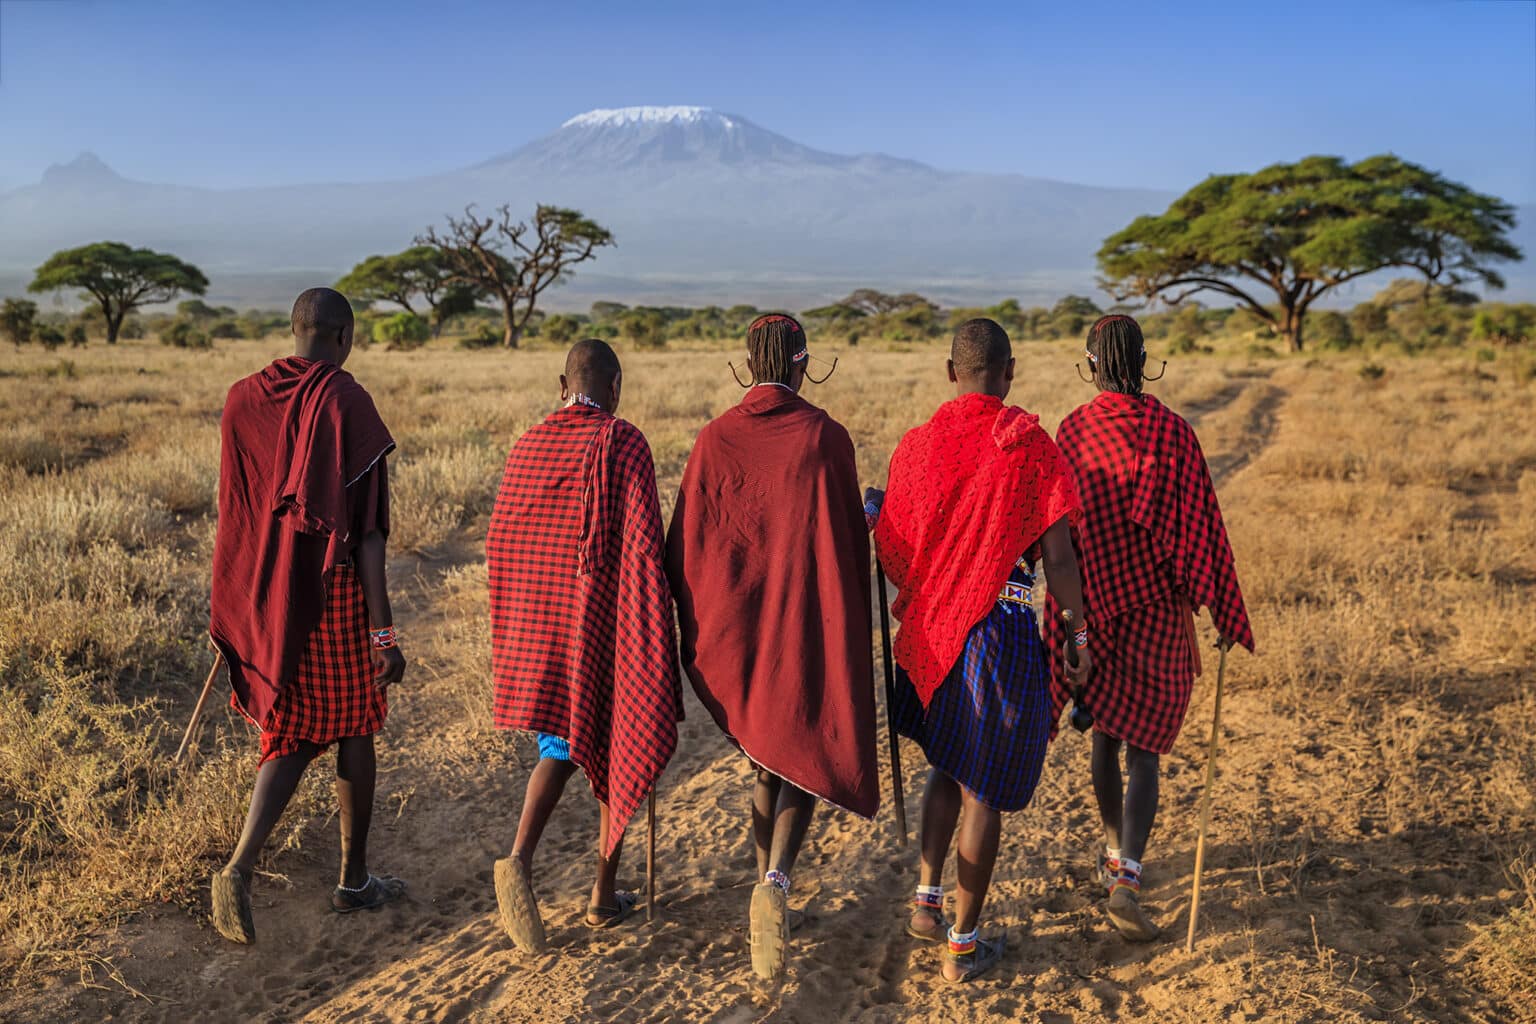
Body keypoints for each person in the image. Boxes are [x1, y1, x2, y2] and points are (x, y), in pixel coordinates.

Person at [871, 318, 1091, 983]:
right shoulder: (1030, 448)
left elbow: (895, 549)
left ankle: (925, 901)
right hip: (999, 634)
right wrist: (1079, 639)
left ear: (950, 372)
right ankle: (963, 943)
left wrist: (935, 580)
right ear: (1011, 371)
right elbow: (1059, 559)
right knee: (984, 788)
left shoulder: (918, 447)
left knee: (947, 760)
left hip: (938, 632)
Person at [666, 314, 878, 981]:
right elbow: (846, 534)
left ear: (747, 368)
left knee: (768, 755)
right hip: (804, 625)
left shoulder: (713, 437)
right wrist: (872, 517)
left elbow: (687, 543)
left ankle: (767, 881)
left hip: (738, 627)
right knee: (804, 749)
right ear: (801, 364)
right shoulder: (825, 437)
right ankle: (777, 882)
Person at [208, 287, 407, 945]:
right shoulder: (347, 402)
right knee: (353, 725)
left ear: (294, 330)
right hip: (331, 595)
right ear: (345, 338)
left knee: (294, 728)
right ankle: (350, 882)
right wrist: (383, 633)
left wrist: (241, 597)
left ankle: (243, 867)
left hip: (265, 593)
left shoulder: (243, 398)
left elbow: (238, 507)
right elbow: (369, 533)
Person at [1048, 313, 1254, 942]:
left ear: (1091, 364)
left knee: (1106, 737)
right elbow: (1201, 529)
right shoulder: (1174, 433)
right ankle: (1127, 874)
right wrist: (1219, 605)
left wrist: (1072, 628)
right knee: (1147, 753)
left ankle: (1115, 855)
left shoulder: (1074, 432)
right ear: (1143, 361)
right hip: (1160, 616)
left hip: (1095, 613)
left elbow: (1063, 539)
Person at [485, 338, 682, 953]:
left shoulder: (528, 444)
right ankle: (598, 894)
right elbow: (647, 546)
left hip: (545, 626)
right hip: (605, 622)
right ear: (617, 388)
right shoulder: (623, 441)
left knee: (563, 743)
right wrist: (654, 622)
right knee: (619, 740)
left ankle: (526, 860)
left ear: (560, 383)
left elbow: (503, 539)